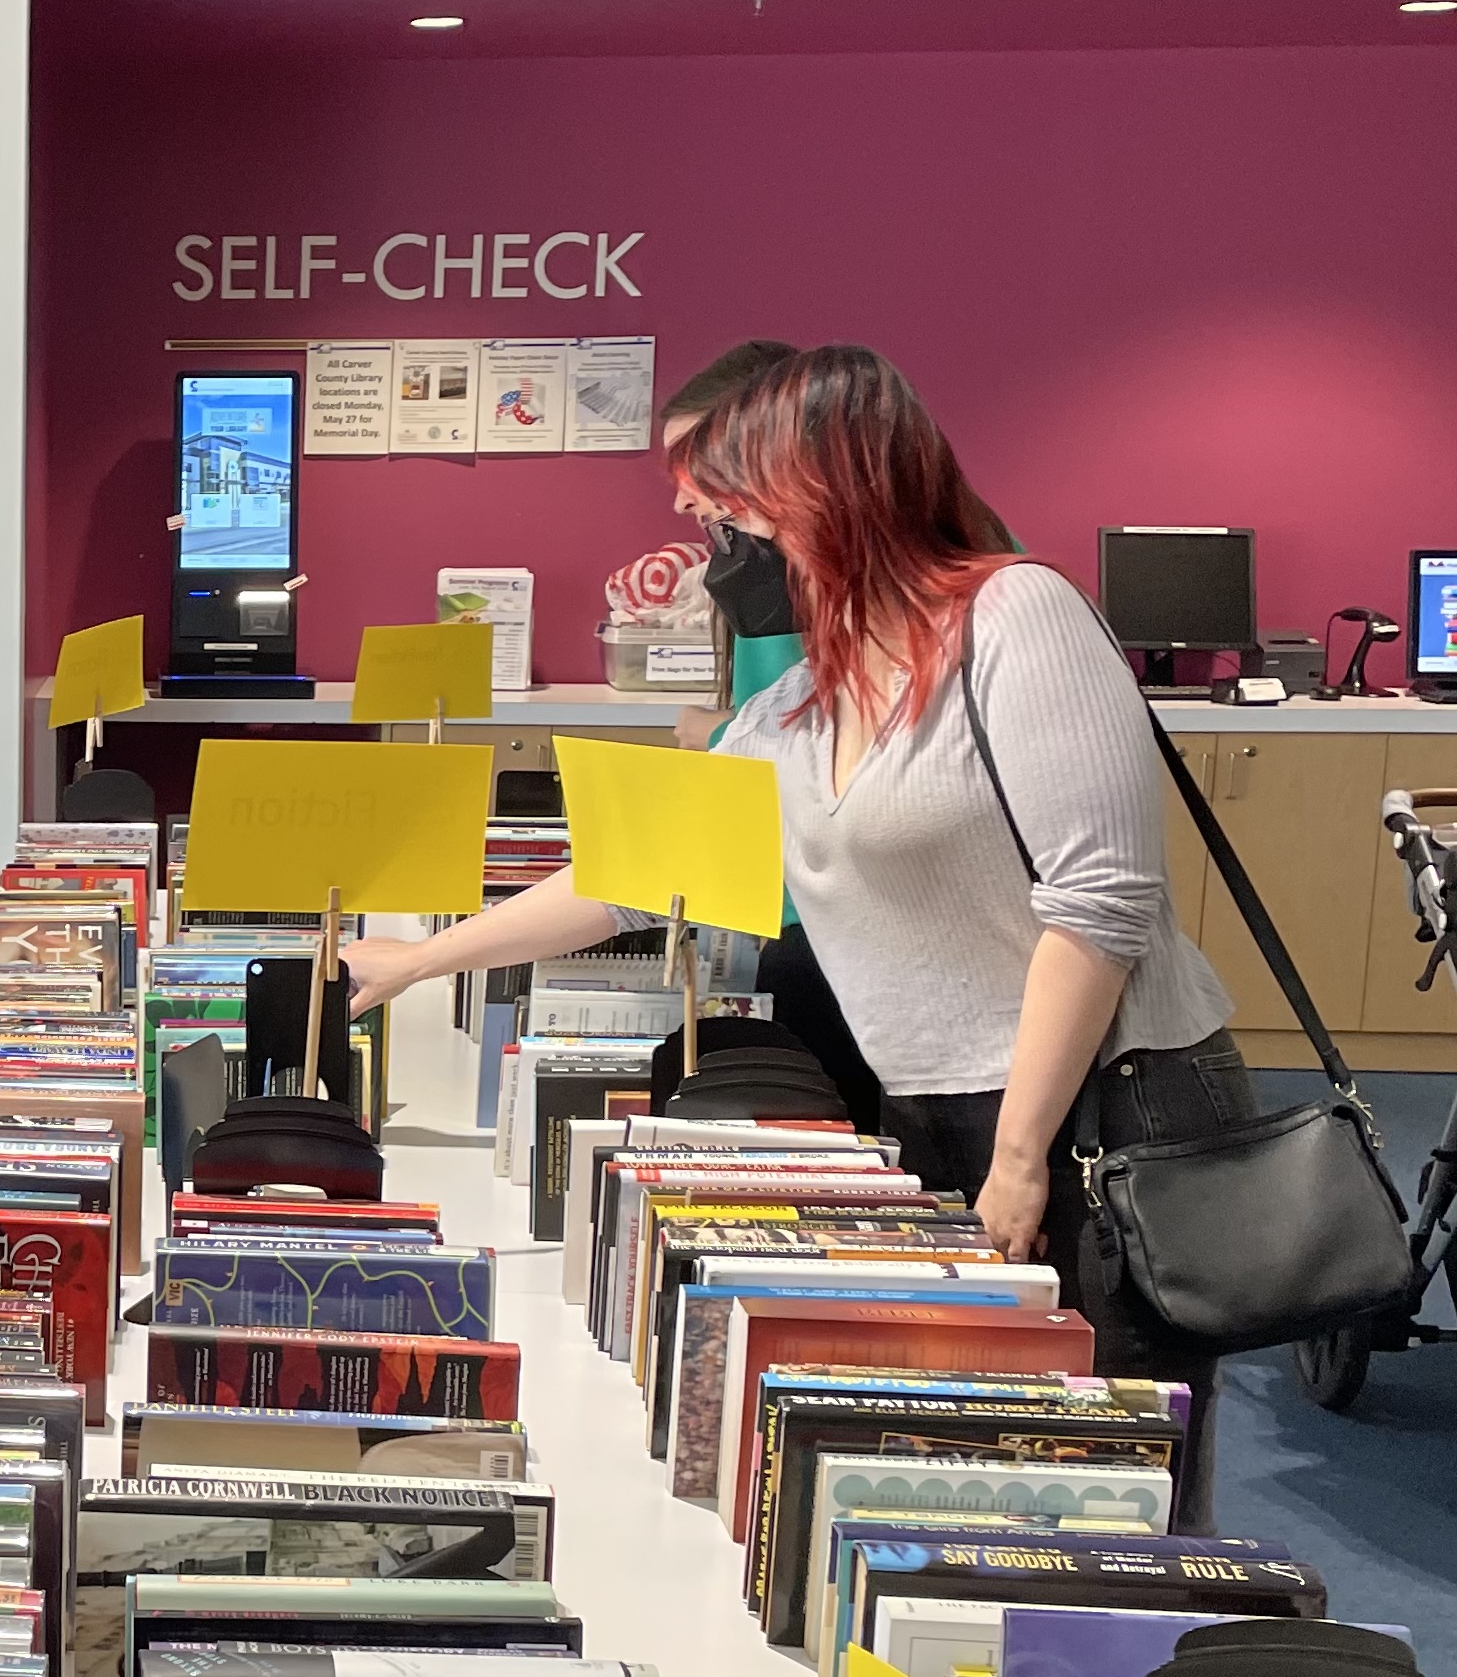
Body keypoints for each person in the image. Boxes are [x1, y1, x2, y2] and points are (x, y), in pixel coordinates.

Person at [347, 344, 1243, 1500]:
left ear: (831, 488)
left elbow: (1101, 903)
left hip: (1098, 1113)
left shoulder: (1019, 615)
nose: (709, 530)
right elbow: (631, 874)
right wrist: (420, 960)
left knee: (1117, 1472)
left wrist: (1018, 1164)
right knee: (986, 1463)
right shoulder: (804, 695)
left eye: (731, 502)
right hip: (935, 1117)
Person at [660, 337, 883, 1133]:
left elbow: (844, 741)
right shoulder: (762, 574)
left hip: (860, 922)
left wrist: (715, 735)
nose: (686, 499)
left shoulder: (931, 598)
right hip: (793, 903)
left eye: (699, 465)